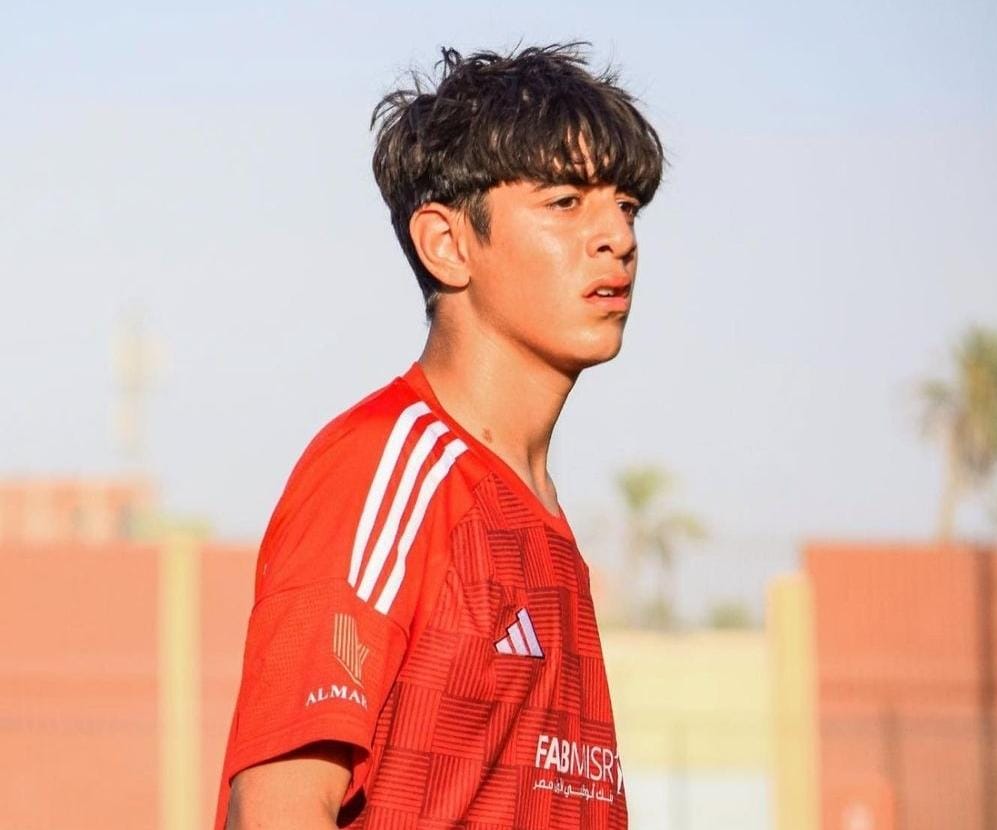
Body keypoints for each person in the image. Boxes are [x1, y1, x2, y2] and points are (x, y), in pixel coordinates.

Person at [215, 42, 664, 830]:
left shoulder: (541, 520)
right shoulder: (382, 470)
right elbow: (280, 805)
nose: (616, 238)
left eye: (625, 206)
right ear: (447, 244)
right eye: (565, 202)